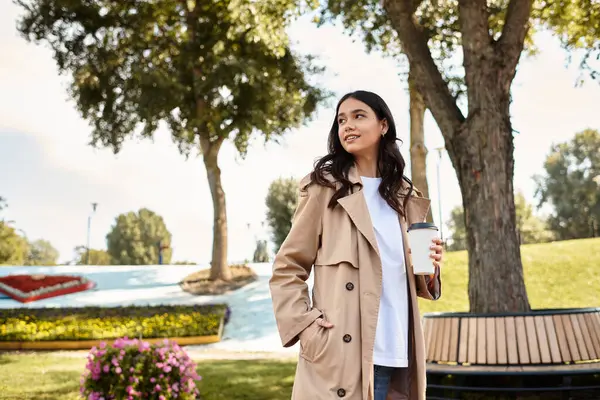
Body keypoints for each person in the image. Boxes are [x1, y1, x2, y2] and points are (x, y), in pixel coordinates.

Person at [269, 90, 444, 400]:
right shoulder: (324, 188)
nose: (347, 125)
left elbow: (410, 280)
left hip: (399, 355)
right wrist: (306, 327)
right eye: (341, 120)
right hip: (343, 355)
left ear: (383, 125)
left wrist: (430, 268)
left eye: (358, 116)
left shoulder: (405, 195)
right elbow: (287, 267)